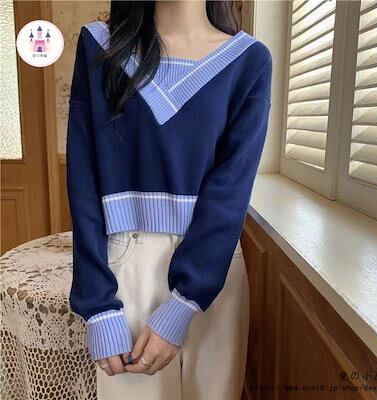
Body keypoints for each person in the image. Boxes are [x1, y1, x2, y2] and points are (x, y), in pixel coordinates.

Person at [66, 1, 272, 399]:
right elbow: (83, 180)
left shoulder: (249, 60)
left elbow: (232, 188)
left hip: (211, 274)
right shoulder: (99, 46)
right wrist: (97, 304)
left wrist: (185, 302)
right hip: (123, 271)